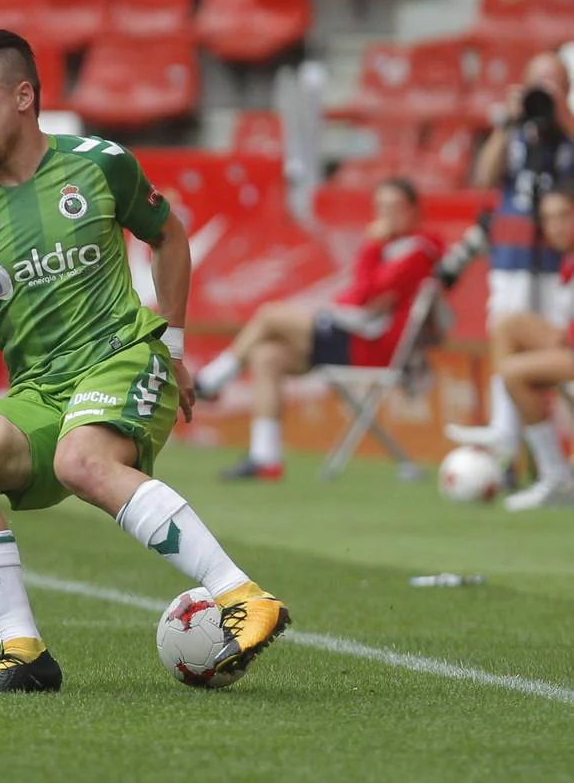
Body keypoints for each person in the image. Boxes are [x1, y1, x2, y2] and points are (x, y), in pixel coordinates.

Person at [0, 29, 289, 696]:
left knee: (80, 460)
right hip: (38, 390)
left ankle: (241, 594)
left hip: (121, 357)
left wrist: (172, 350)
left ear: (24, 96)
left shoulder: (100, 164)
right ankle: (25, 654)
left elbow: (168, 238)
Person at [193, 178, 442, 480]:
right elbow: (361, 295)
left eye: (394, 207)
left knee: (271, 316)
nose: (385, 215)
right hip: (354, 337)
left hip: (369, 348)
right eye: (381, 208)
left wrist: (372, 244)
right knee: (266, 356)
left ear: (413, 210)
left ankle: (209, 382)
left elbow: (364, 293)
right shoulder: (394, 248)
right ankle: (265, 458)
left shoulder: (420, 250)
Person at [456, 52, 574, 457]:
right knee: (504, 329)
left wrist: (563, 116)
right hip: (513, 254)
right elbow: (482, 178)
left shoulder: (568, 131)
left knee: (554, 352)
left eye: (554, 83)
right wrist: (507, 123)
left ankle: (553, 452)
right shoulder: (515, 132)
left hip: (559, 263)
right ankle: (506, 434)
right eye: (537, 84)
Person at [448, 182, 574, 510]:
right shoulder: (566, 261)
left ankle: (557, 477)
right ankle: (505, 430)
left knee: (515, 373)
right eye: (549, 218)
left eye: (564, 215)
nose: (557, 226)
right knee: (507, 323)